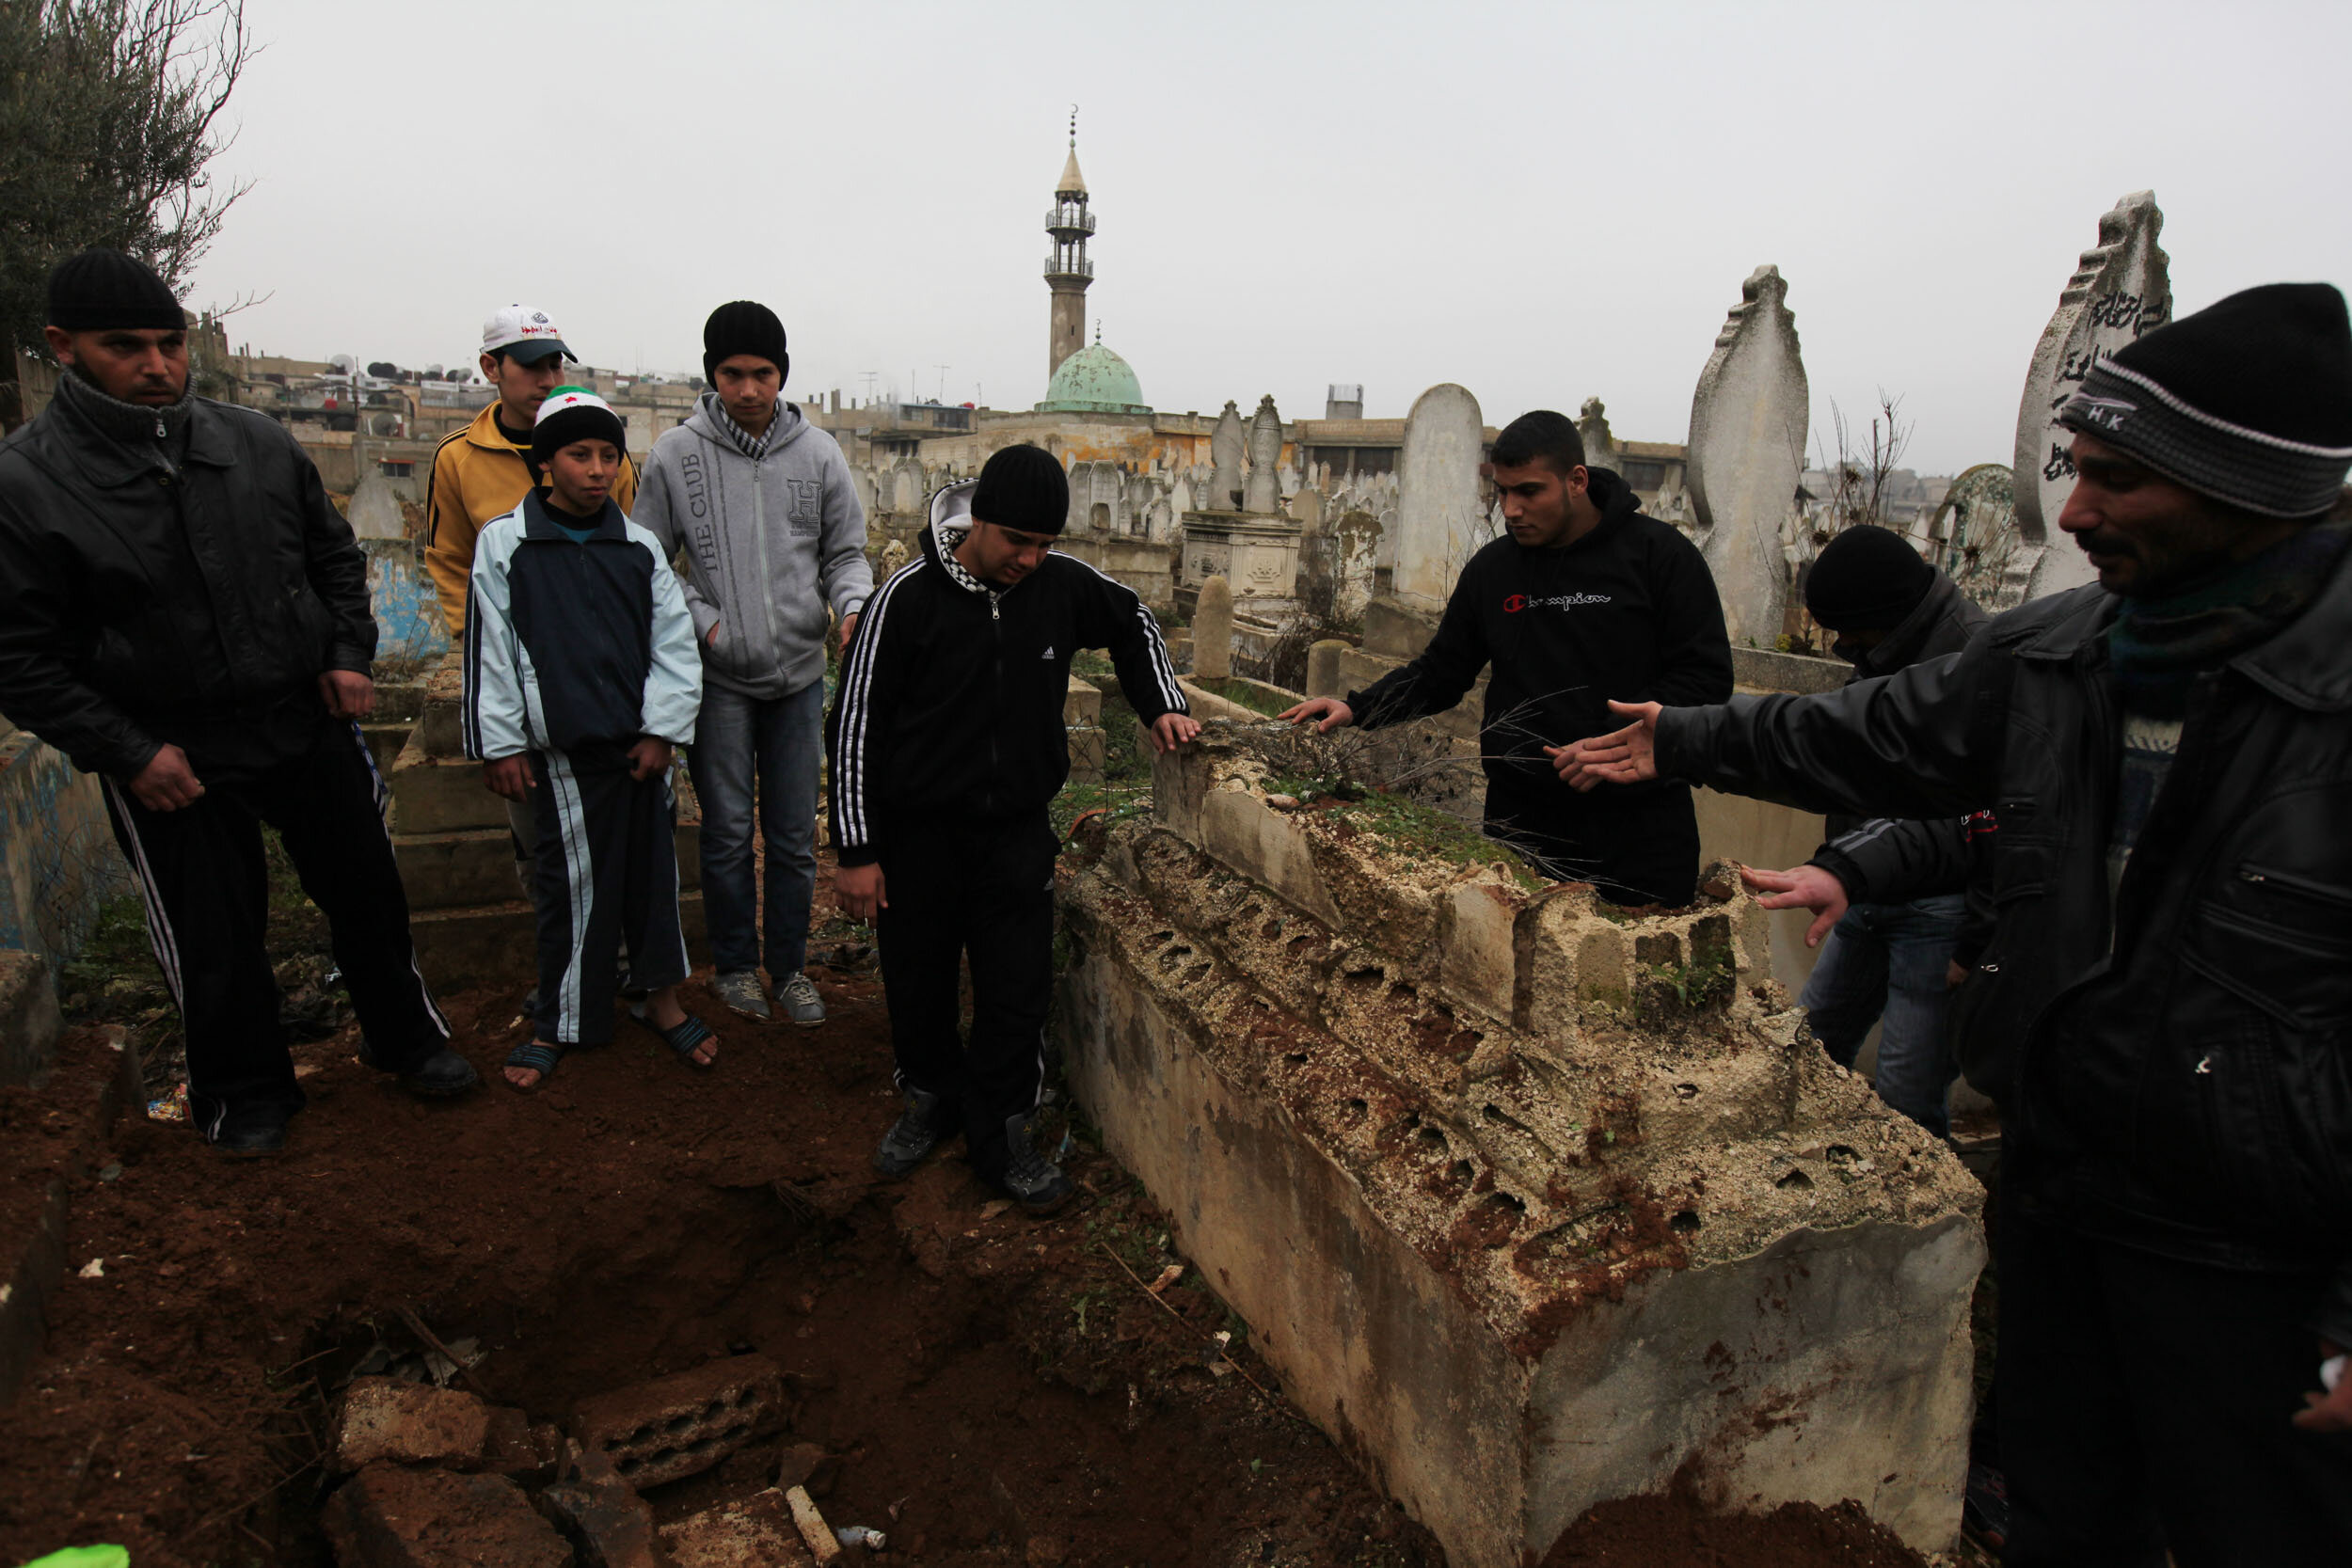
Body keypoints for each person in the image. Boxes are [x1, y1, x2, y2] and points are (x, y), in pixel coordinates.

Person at [1557, 283, 2352, 1563]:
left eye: (2117, 480)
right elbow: (1877, 731)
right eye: (2074, 471)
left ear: (2242, 487)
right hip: (2064, 1182)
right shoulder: (2068, 652)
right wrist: (1688, 735)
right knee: (2060, 1511)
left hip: (2257, 1256)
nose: (2077, 510)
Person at [0, 249, 475, 1154]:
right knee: (212, 927)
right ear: (63, 347)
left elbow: (333, 558)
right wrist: (129, 751)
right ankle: (246, 1088)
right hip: (166, 747)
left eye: (171, 344)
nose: (157, 367)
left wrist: (345, 653)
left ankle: (404, 1037)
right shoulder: (29, 484)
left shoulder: (252, 442)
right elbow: (20, 656)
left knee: (368, 892)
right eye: (125, 347)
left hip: (301, 717)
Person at [828, 446, 1197, 1212]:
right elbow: (855, 724)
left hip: (1015, 829)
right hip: (918, 832)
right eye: (1015, 542)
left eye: (1045, 545)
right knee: (919, 976)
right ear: (977, 521)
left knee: (1014, 986)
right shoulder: (907, 598)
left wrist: (1161, 700)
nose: (1030, 560)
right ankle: (930, 1096)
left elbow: (1133, 619)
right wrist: (857, 849)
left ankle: (1000, 1132)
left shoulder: (1059, 587)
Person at [1279, 409, 1732, 905]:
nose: (1511, 509)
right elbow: (1442, 672)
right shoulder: (1494, 571)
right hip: (1522, 820)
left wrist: (1613, 746)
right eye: (1502, 492)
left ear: (1576, 480)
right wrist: (1359, 708)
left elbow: (1705, 677)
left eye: (1529, 491)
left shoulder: (1659, 557)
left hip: (1638, 825)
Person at [461, 388, 707, 1091]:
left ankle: (660, 999)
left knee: (653, 883)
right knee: (570, 888)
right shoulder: (507, 545)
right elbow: (494, 652)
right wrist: (502, 744)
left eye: (608, 454)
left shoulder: (636, 546)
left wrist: (663, 730)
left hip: (640, 754)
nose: (597, 469)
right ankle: (561, 1018)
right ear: (546, 464)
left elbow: (673, 645)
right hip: (564, 757)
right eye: (579, 454)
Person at [634, 302, 871, 1026]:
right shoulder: (676, 455)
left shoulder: (820, 455)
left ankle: (791, 967)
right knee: (730, 829)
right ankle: (737, 964)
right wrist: (704, 624)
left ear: (782, 375)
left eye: (761, 373)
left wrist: (852, 605)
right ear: (713, 374)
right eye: (732, 374)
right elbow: (647, 561)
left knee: (797, 834)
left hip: (800, 671)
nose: (747, 389)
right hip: (721, 679)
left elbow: (845, 552)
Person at [1737, 525, 1988, 1137]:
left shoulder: (1981, 664)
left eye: (1850, 629)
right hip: (1865, 895)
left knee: (1906, 1098)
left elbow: (2003, 817)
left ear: (1886, 612)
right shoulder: (1882, 654)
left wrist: (1977, 941)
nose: (1844, 644)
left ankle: (1919, 1223)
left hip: (1941, 914)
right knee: (1810, 1050)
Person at [424, 304, 640, 932]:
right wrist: (481, 649)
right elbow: (449, 560)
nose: (546, 378)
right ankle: (559, 948)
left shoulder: (607, 454)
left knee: (612, 813)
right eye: (530, 366)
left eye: (554, 364)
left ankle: (619, 952)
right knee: (537, 825)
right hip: (515, 667)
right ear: (491, 367)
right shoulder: (459, 459)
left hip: (599, 666)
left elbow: (629, 547)